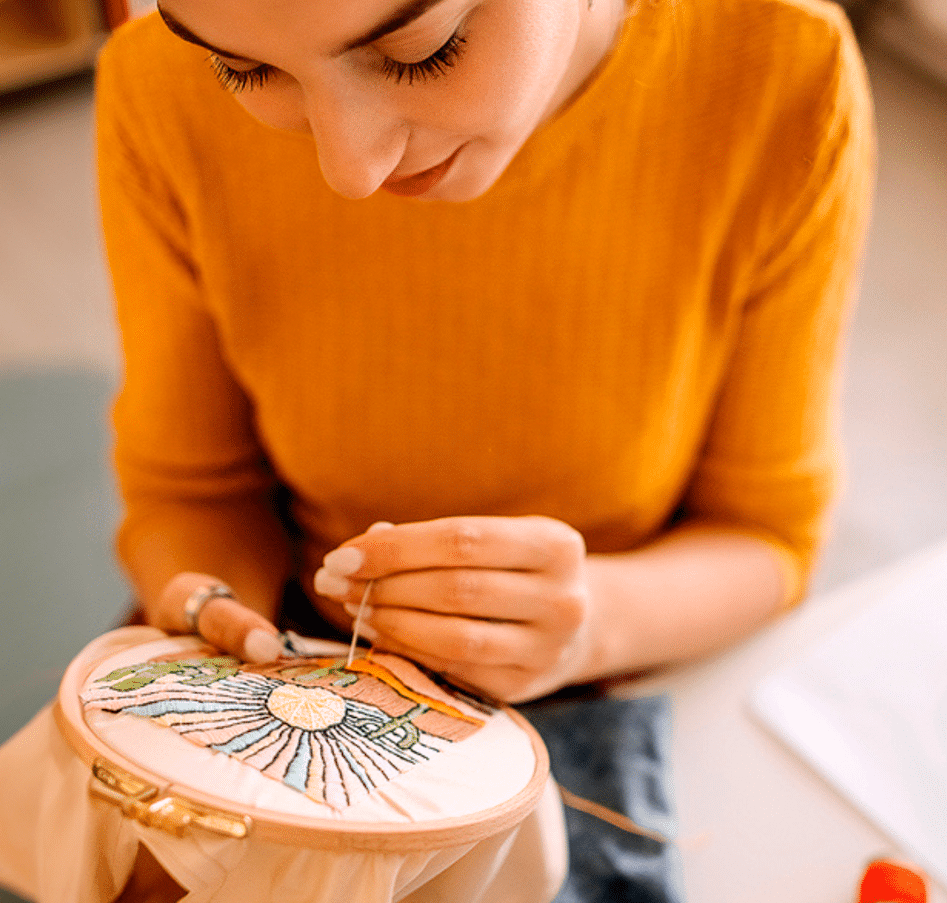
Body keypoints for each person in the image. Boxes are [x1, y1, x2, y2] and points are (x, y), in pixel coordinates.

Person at [98, 0, 873, 701]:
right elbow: (192, 494)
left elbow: (768, 536)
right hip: (293, 651)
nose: (352, 168)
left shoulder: (781, 70)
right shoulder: (158, 89)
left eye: (422, 52)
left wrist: (589, 624)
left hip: (607, 669)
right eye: (247, 70)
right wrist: (218, 628)